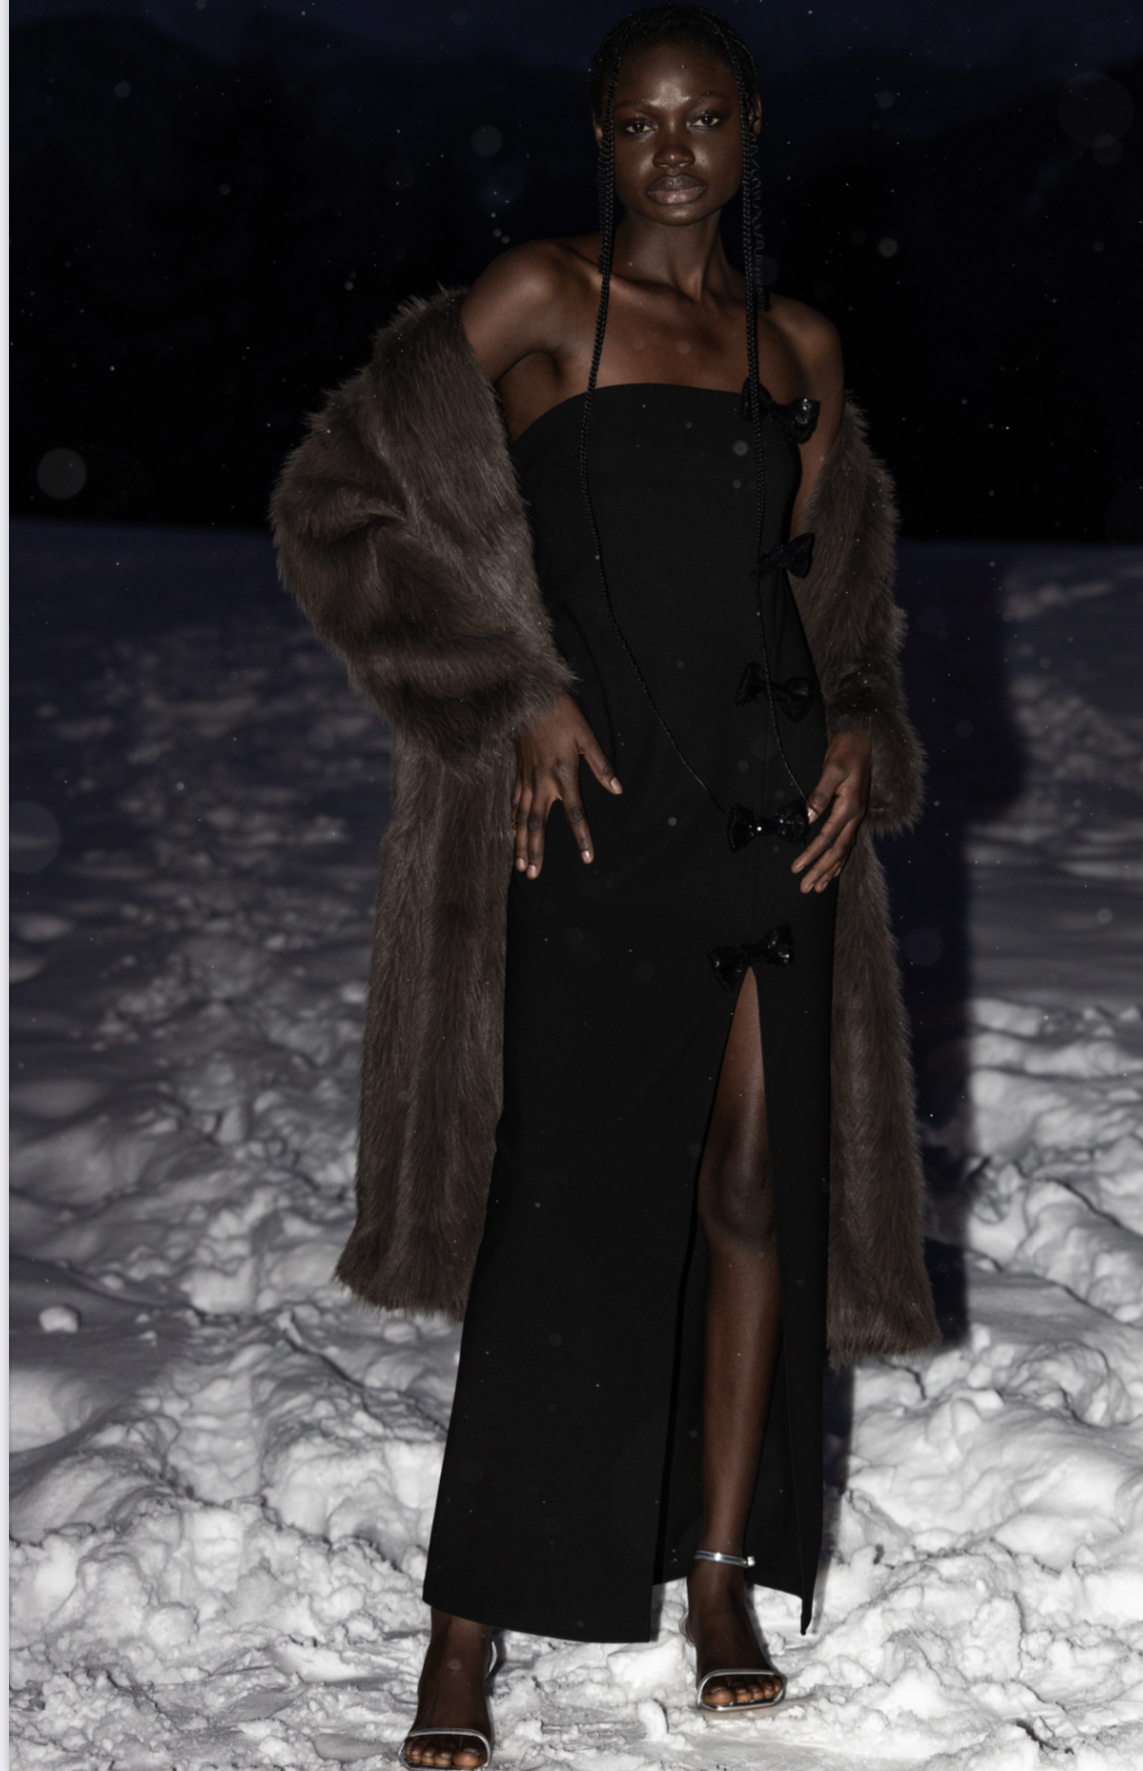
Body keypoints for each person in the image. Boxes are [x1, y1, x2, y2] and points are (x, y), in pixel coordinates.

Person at [271, 7, 937, 1766]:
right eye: (639, 122)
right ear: (597, 136)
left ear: (749, 128)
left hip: (770, 817)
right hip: (589, 813)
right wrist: (507, 692)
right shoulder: (535, 302)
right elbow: (335, 506)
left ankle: (718, 1575)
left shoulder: (798, 344)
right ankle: (464, 1628)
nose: (671, 152)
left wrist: (859, 718)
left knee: (751, 1188)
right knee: (560, 1203)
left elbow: (830, 598)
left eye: (702, 118)